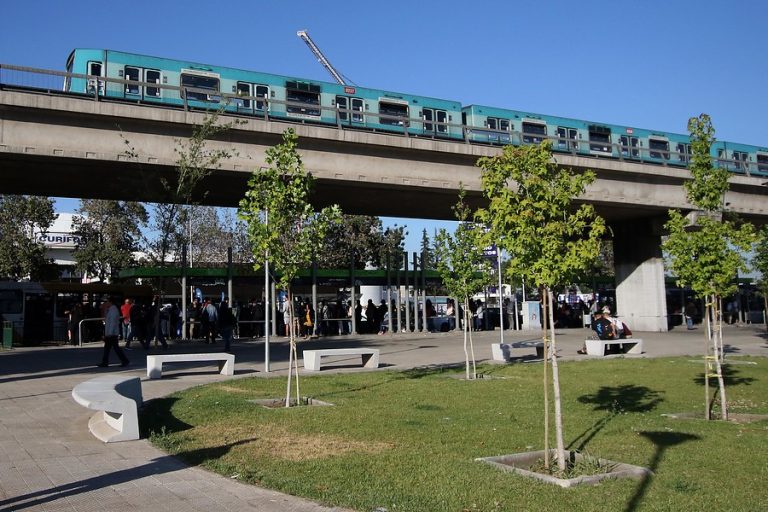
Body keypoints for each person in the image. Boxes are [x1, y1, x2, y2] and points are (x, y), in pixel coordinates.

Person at [97, 296, 129, 367]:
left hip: (112, 333)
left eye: (107, 302)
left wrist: (109, 333)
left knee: (113, 348)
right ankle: (106, 362)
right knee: (109, 348)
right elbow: (107, 319)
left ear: (110, 302)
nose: (105, 303)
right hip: (111, 333)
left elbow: (112, 323)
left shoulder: (113, 310)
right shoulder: (110, 310)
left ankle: (124, 361)